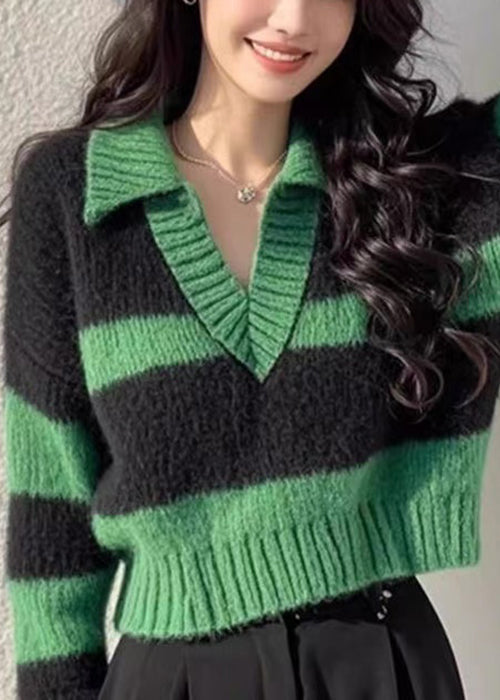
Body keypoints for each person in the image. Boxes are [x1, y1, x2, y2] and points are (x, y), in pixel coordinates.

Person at [2, 0, 500, 698]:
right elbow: (51, 526)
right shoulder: (75, 195)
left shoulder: (409, 189)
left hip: (378, 666)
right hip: (173, 679)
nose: (294, 19)